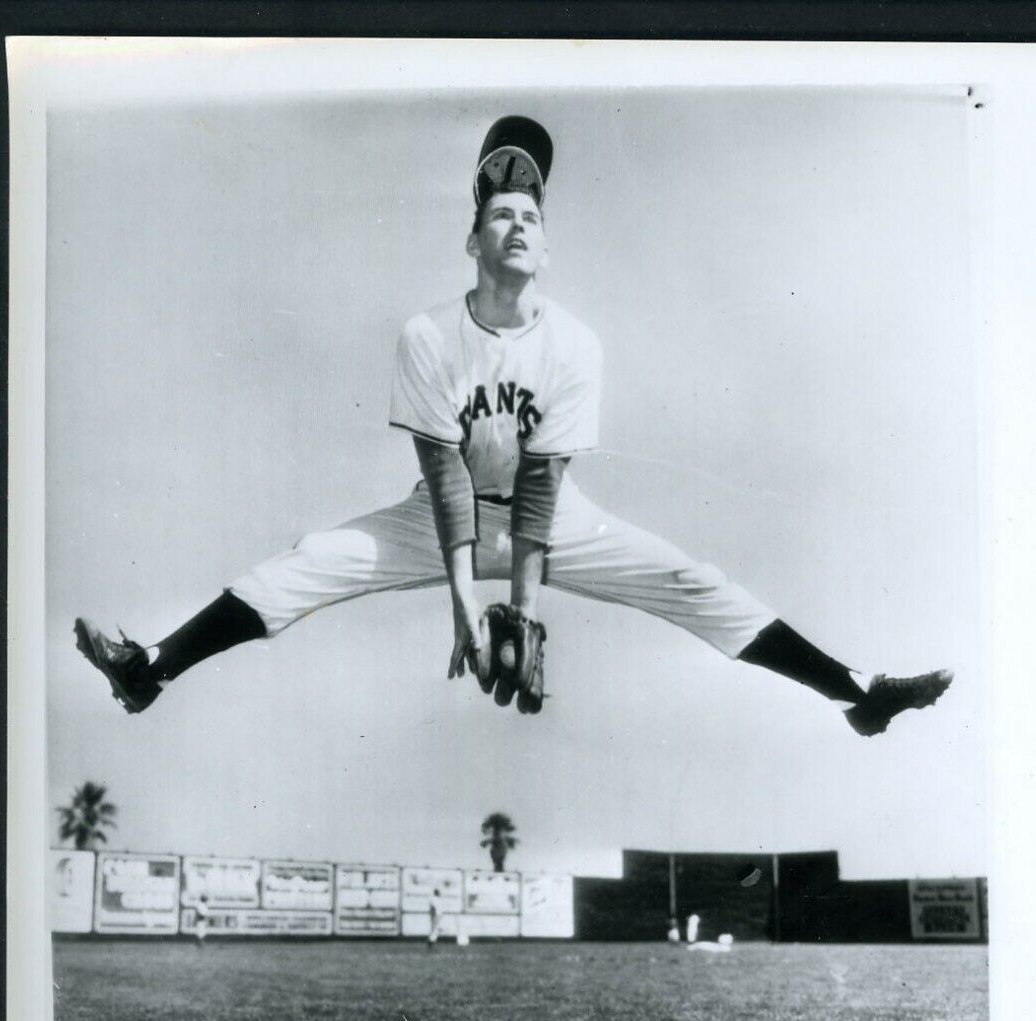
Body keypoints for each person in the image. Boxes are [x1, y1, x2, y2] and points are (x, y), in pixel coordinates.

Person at [73, 115, 952, 738]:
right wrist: (466, 611)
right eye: (501, 212)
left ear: (546, 241)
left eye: (531, 214)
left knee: (692, 581)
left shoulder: (574, 345)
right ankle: (150, 669)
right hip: (439, 516)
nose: (518, 222)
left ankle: (857, 690)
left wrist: (521, 613)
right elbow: (446, 478)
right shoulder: (428, 335)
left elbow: (541, 492)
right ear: (473, 239)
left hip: (553, 523)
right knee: (311, 561)